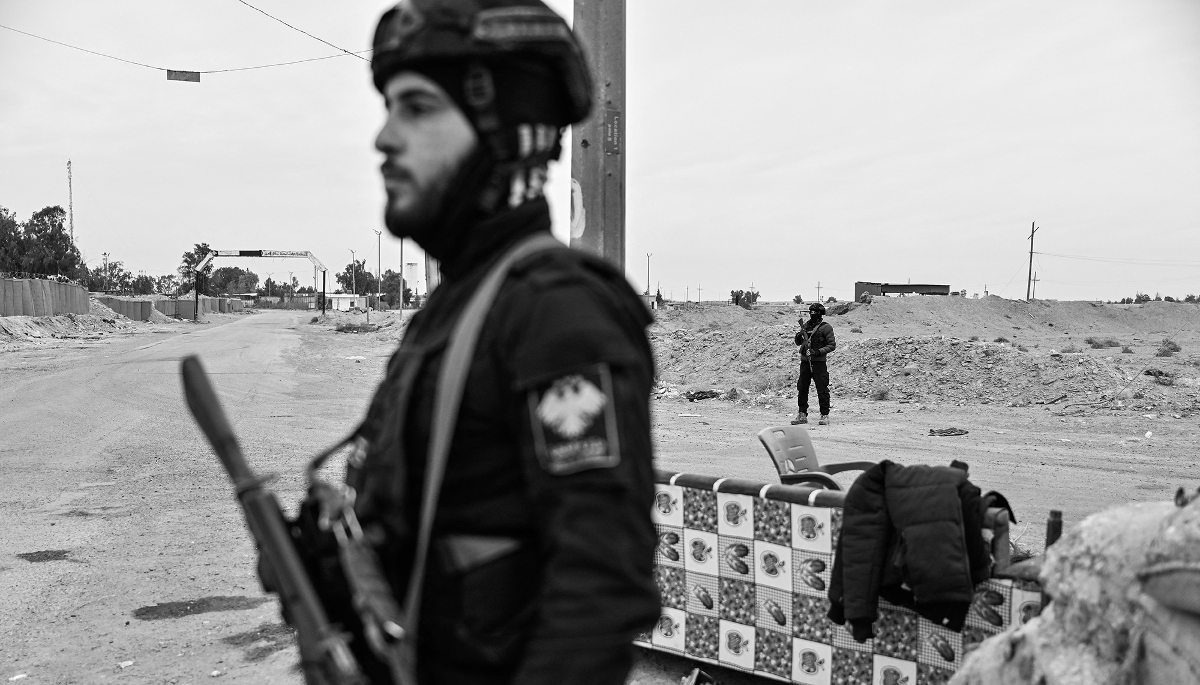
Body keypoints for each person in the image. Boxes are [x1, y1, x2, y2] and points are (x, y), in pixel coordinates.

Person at [285, 2, 661, 683]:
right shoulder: (456, 308)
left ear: (502, 131)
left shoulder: (555, 310)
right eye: (390, 108)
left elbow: (596, 597)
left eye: (418, 108)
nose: (385, 139)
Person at [793, 302, 836, 425]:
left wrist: (817, 352)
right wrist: (799, 337)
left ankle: (824, 415)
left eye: (815, 312)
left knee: (822, 388)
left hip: (819, 363)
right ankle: (802, 414)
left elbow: (832, 345)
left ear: (820, 313)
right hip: (805, 362)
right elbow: (799, 343)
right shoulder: (806, 326)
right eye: (811, 312)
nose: (813, 314)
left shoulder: (826, 327)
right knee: (802, 388)